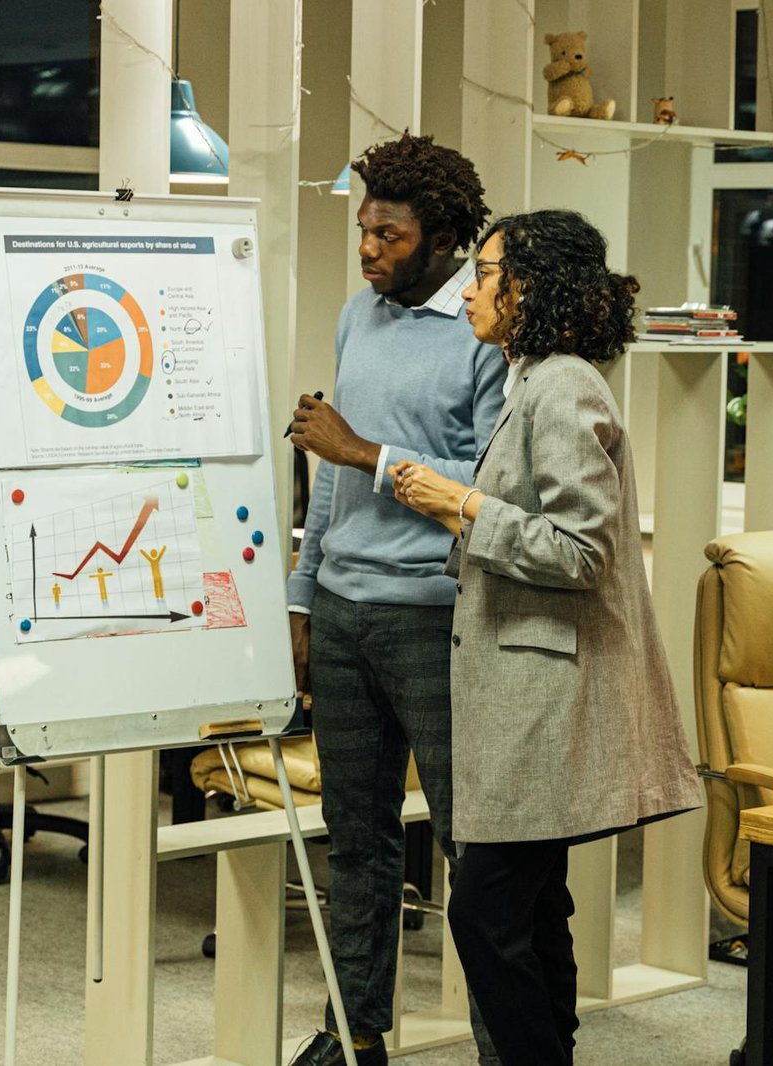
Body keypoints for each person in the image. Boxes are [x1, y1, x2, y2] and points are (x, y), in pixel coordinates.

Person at [388, 209, 703, 1065]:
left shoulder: (562, 385)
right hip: (527, 691)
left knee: (484, 911)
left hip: (543, 703)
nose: (468, 296)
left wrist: (461, 506)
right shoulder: (537, 378)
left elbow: (582, 550)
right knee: (531, 910)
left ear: (526, 287)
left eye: (483, 276)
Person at [286, 132, 506, 1066]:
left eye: (391, 236)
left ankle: (508, 1043)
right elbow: (330, 481)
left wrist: (364, 453)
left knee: (475, 852)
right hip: (342, 610)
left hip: (435, 619)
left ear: (446, 237)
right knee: (357, 841)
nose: (369, 250)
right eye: (365, 230)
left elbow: (493, 484)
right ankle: (356, 1032)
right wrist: (303, 595)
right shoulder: (357, 318)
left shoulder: (489, 334)